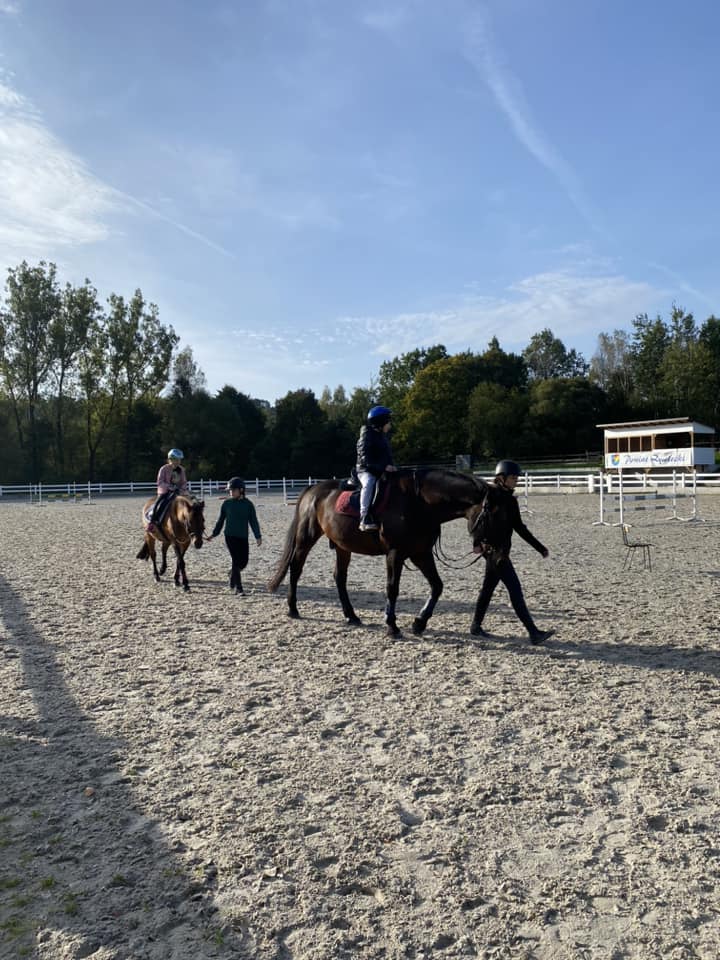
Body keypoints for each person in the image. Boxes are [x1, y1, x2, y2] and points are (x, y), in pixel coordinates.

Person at [470, 460, 554, 644]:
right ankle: (534, 633)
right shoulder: (490, 497)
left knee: (487, 589)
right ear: (502, 478)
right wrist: (476, 542)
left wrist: (539, 547)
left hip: (501, 552)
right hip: (495, 554)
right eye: (513, 477)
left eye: (517, 477)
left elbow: (520, 527)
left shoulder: (511, 500)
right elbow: (477, 520)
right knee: (515, 590)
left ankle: (475, 626)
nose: (516, 480)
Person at [208, 477, 262, 594]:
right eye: (230, 490)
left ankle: (232, 574)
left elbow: (253, 521)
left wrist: (258, 536)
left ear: (241, 490)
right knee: (236, 560)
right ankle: (239, 588)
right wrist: (214, 534)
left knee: (244, 562)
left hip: (243, 536)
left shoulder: (248, 505)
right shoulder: (226, 504)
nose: (231, 492)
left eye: (233, 490)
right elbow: (220, 521)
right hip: (230, 536)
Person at [356, 405, 397, 532]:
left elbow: (388, 457)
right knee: (369, 483)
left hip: (381, 470)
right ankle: (364, 517)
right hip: (365, 470)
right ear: (380, 422)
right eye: (388, 422)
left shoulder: (383, 437)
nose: (390, 425)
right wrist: (384, 467)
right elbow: (365, 460)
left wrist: (393, 467)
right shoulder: (366, 436)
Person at [147, 448, 190, 531]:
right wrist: (169, 487)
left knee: (192, 502)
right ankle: (152, 522)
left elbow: (184, 482)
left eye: (179, 460)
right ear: (170, 459)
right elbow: (160, 482)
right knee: (159, 504)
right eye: (176, 460)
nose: (178, 462)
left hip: (179, 492)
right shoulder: (164, 469)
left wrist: (182, 488)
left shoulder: (181, 470)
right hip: (165, 492)